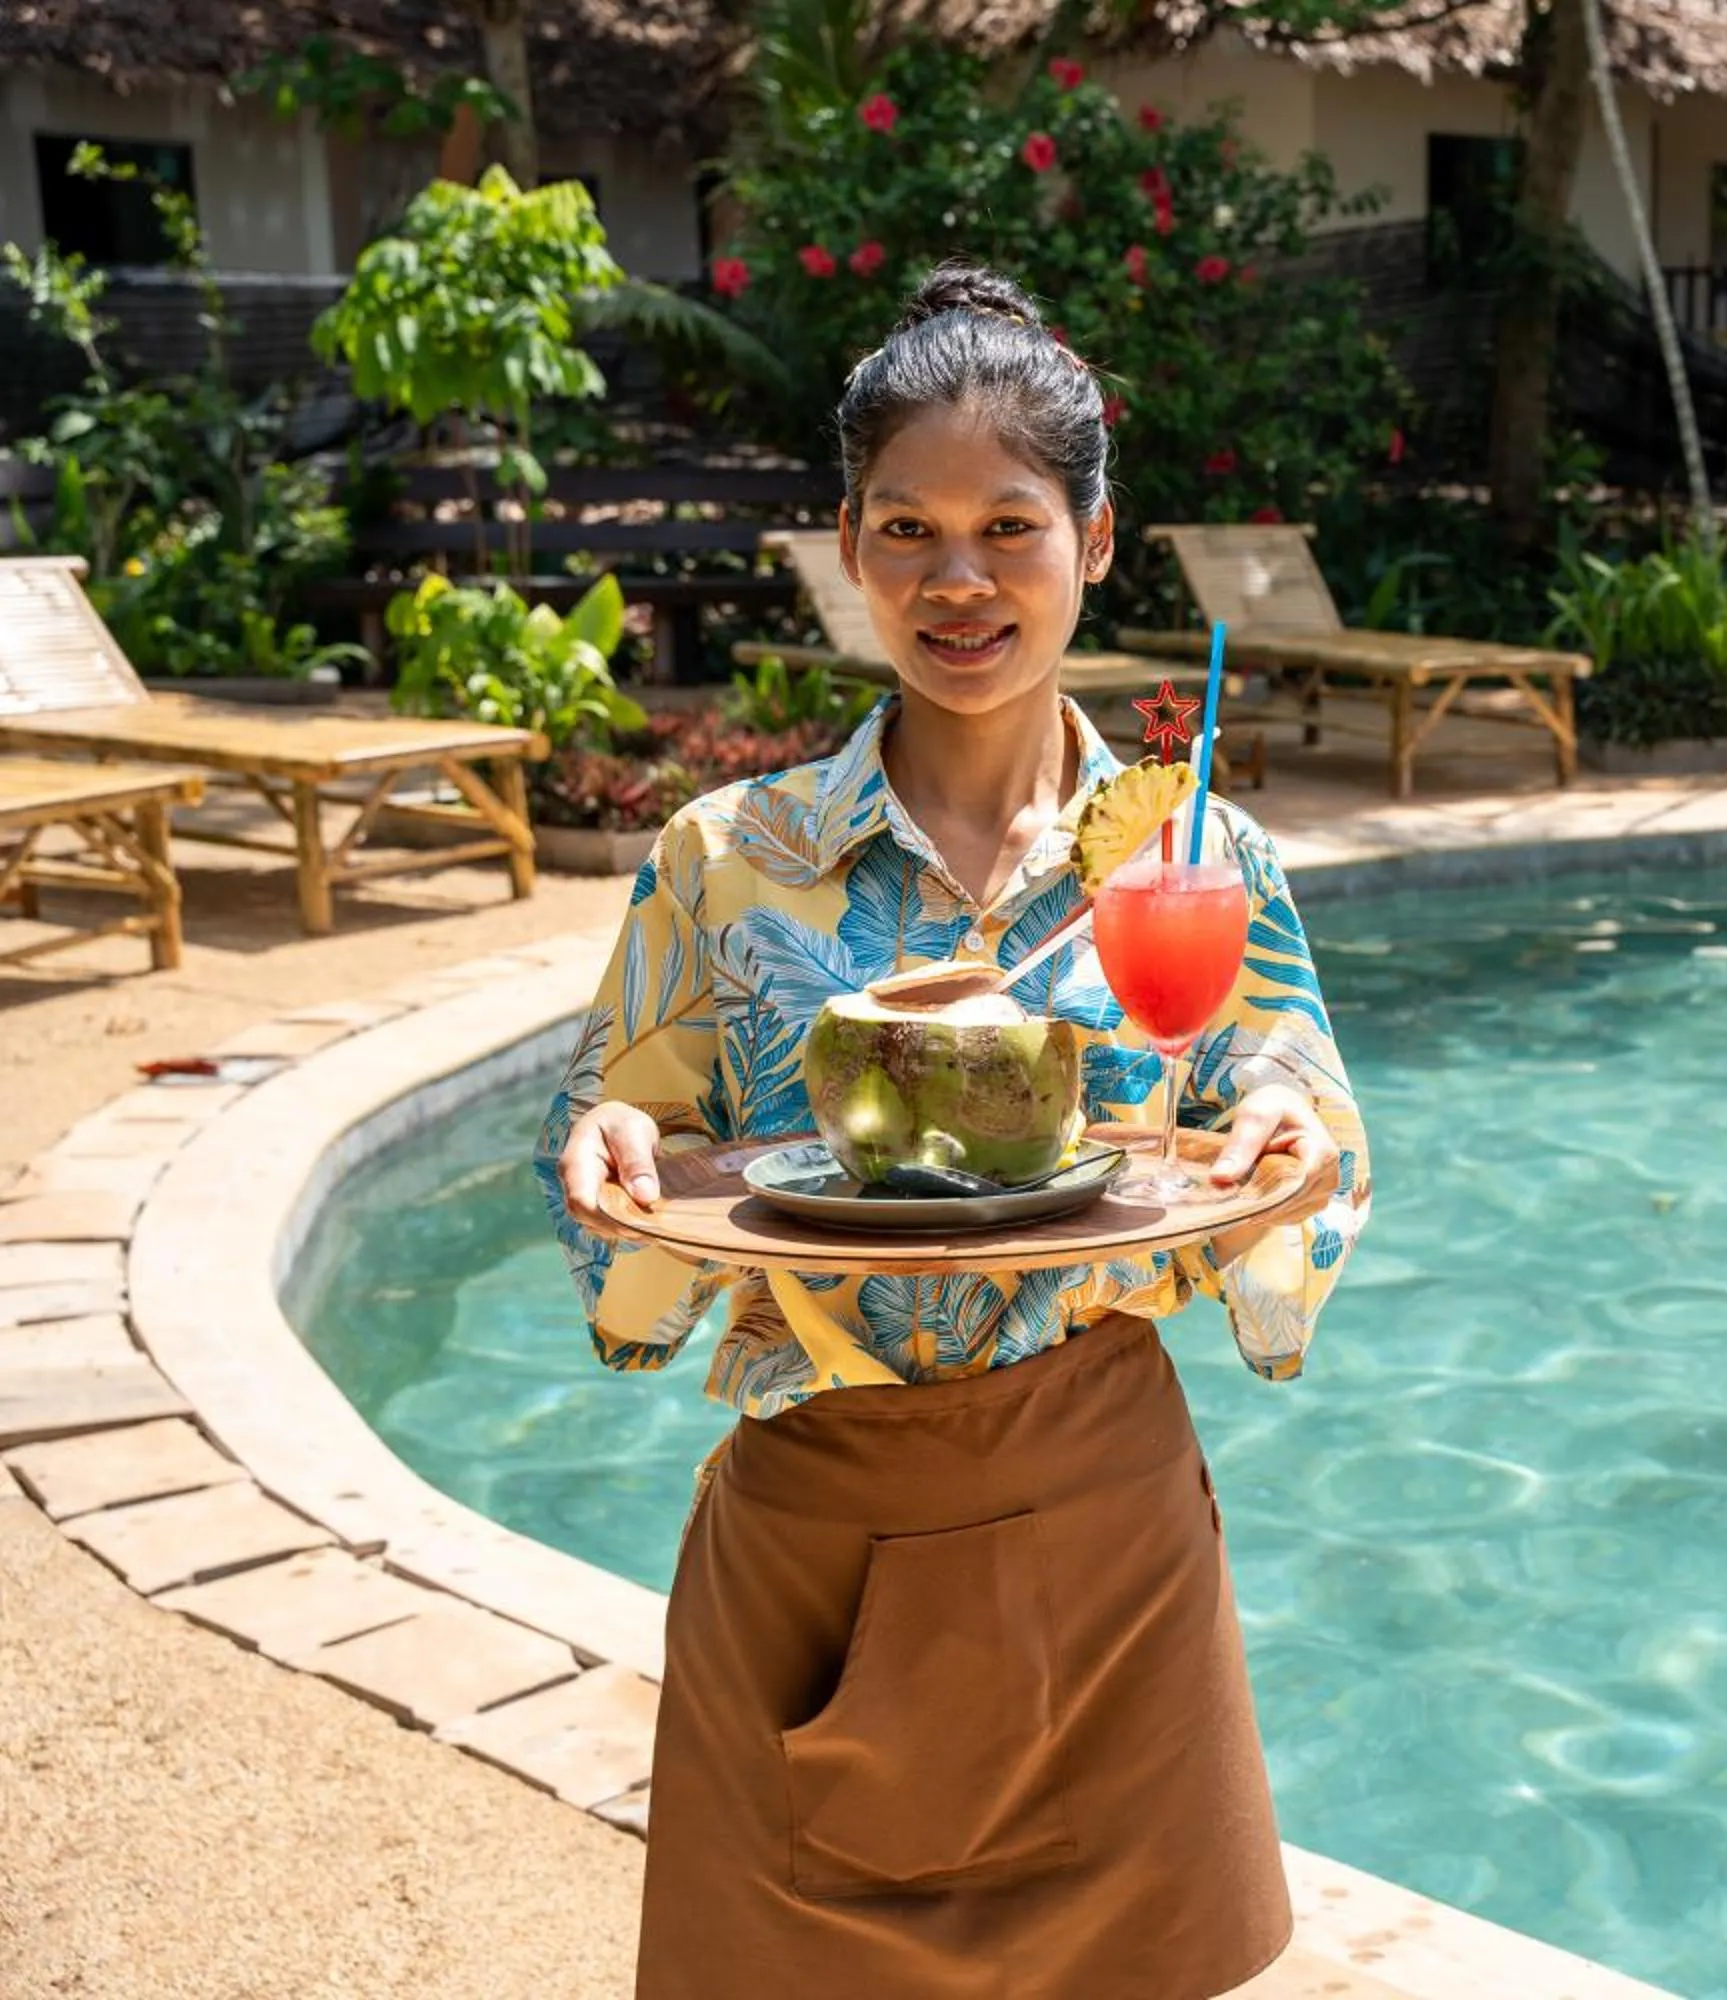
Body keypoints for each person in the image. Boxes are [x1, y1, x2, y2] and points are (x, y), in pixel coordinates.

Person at [540, 260, 1372, 2000]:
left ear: (1093, 537)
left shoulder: (1191, 860)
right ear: (851, 546)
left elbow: (1300, 1138)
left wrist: (1283, 1136)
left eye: (1009, 525)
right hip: (818, 1536)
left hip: (1110, 1527)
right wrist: (614, 1160)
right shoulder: (727, 859)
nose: (958, 577)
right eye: (906, 528)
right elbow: (625, 1204)